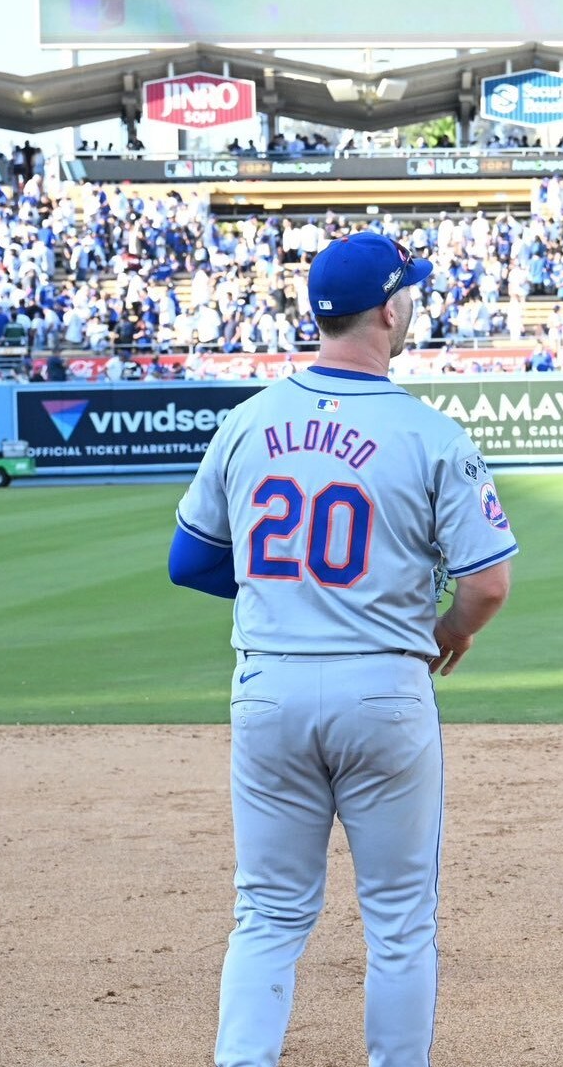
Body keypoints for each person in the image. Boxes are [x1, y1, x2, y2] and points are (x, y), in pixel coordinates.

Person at [168, 230, 517, 1067]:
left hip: (269, 690)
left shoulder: (248, 421)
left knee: (269, 913)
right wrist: (449, 633)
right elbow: (488, 583)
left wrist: (289, 596)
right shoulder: (431, 434)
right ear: (391, 310)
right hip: (383, 688)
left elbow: (191, 560)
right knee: (399, 921)